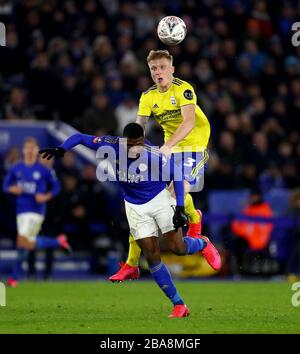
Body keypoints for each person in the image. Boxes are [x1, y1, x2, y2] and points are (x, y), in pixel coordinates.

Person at [39, 123, 221, 318]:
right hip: (134, 207)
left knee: (177, 247)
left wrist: (178, 206)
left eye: (139, 143)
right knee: (152, 255)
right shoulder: (111, 145)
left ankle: (203, 243)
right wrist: (62, 148)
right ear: (124, 141)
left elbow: (176, 175)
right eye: (132, 144)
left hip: (159, 198)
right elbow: (80, 137)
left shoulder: (153, 153)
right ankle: (179, 304)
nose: (136, 148)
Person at [112, 49, 211, 281]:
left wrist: (168, 145)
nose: (158, 72)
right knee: (144, 197)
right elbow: (139, 127)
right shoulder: (147, 96)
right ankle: (130, 263)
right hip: (170, 147)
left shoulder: (184, 89)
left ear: (172, 69)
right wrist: (132, 149)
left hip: (193, 146)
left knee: (179, 188)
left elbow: (188, 122)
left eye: (163, 67)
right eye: (154, 68)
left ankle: (194, 218)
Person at [3, 137, 72, 287]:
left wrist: (46, 196)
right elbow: (5, 185)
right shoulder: (16, 168)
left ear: (36, 151)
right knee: (24, 244)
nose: (29, 151)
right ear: (23, 150)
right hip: (21, 210)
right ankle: (57, 241)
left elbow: (57, 187)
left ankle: (14, 277)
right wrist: (11, 189)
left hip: (35, 211)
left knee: (22, 242)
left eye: (32, 148)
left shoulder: (43, 170)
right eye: (27, 148)